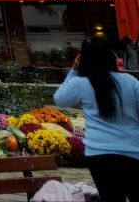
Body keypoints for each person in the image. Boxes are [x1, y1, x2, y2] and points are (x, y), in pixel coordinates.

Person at [53, 37, 139, 202]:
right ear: (111, 55)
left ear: (84, 59)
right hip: (133, 151)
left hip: (99, 154)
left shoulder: (81, 83)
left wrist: (74, 70)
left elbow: (60, 99)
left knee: (111, 198)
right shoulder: (131, 81)